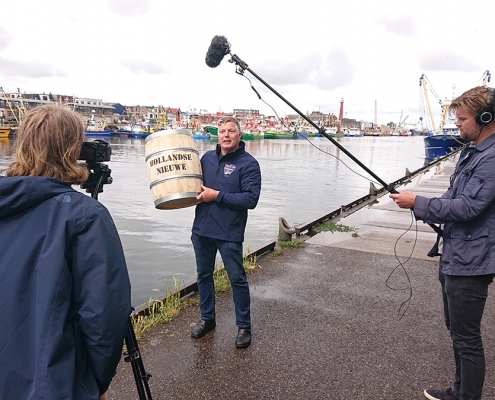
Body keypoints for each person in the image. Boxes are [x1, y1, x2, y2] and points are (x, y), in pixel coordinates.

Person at [0, 105, 132, 399]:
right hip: (52, 382)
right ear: (73, 147)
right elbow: (103, 314)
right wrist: (95, 383)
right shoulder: (86, 216)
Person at [390, 86, 495, 400]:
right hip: (455, 254)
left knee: (467, 339)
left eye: (462, 119)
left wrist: (417, 202)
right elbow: (452, 198)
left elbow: (469, 207)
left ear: (485, 117)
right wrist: (421, 205)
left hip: (472, 262)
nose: (458, 125)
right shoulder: (471, 151)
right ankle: (459, 390)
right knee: (456, 331)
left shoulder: (491, 159)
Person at [190, 116, 261, 349]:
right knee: (203, 276)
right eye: (222, 131)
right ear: (217, 135)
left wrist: (217, 195)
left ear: (239, 135)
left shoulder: (249, 164)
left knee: (237, 280)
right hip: (201, 230)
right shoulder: (206, 159)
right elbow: (192, 185)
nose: (226, 135)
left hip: (228, 233)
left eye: (231, 131)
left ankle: (244, 327)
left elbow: (250, 199)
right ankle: (207, 319)